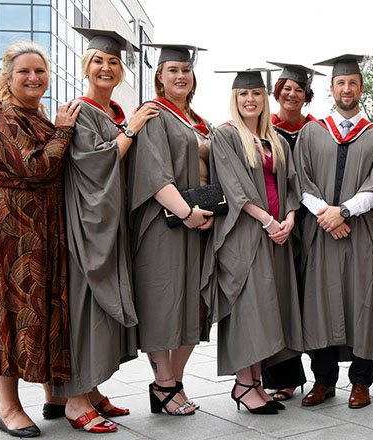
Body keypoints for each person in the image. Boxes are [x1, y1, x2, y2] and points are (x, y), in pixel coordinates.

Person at [0, 41, 81, 438]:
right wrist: (65, 130)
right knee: (9, 308)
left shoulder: (32, 113)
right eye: (24, 71)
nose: (33, 77)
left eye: (39, 71)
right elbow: (36, 166)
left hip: (43, 220)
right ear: (8, 76)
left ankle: (53, 393)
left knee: (45, 303)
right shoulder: (1, 116)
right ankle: (8, 408)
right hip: (12, 224)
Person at [49, 28, 161, 433]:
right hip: (88, 226)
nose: (106, 67)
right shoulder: (79, 111)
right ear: (85, 66)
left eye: (113, 61)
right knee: (85, 308)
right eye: (98, 60)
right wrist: (130, 131)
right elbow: (95, 165)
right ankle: (75, 398)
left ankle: (91, 389)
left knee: (99, 311)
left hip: (111, 222)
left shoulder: (111, 111)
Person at [295, 54, 373, 409]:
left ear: (361, 87)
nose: (347, 89)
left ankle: (361, 382)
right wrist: (326, 215)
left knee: (362, 305)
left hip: (361, 232)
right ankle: (323, 381)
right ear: (332, 88)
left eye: (353, 82)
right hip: (321, 231)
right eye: (340, 83)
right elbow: (300, 179)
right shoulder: (312, 131)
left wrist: (344, 212)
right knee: (319, 304)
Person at [203, 68, 302, 415]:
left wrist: (289, 218)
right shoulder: (225, 136)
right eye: (244, 95)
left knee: (268, 312)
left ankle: (255, 382)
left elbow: (291, 185)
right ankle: (243, 384)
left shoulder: (274, 139)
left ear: (265, 98)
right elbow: (235, 189)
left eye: (257, 94)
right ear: (235, 99)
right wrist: (269, 220)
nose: (250, 100)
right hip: (245, 235)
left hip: (276, 235)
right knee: (248, 309)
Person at [128, 43, 213, 416]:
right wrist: (185, 212)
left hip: (200, 221)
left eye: (186, 70)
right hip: (167, 223)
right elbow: (153, 172)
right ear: (159, 76)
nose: (181, 76)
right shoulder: (153, 115)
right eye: (173, 69)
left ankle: (172, 383)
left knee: (194, 305)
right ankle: (165, 383)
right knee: (165, 303)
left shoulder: (197, 120)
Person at [260, 62, 321, 402]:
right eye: (287, 88)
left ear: (306, 95)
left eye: (299, 89)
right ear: (278, 92)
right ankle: (283, 377)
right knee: (280, 297)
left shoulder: (318, 130)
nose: (292, 94)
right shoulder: (264, 129)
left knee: (309, 297)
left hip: (311, 221)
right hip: (277, 223)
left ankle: (321, 376)